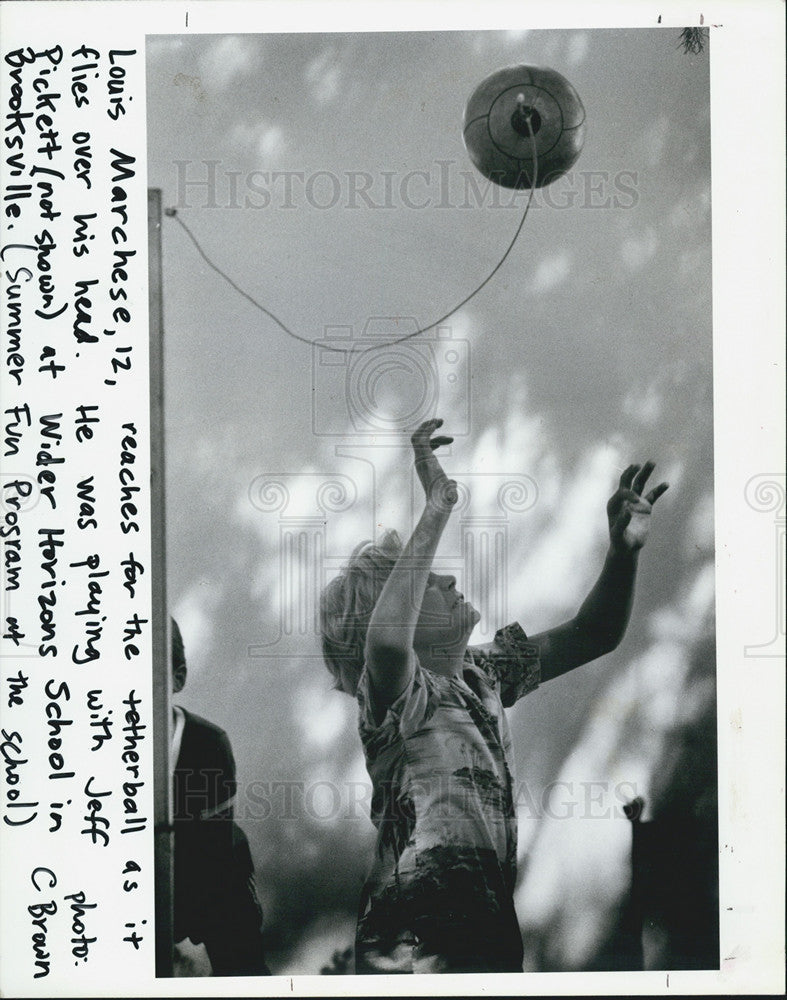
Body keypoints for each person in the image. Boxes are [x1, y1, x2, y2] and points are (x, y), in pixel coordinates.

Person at [319, 418, 668, 974]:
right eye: (427, 579)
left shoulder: (484, 672)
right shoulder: (398, 696)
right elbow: (386, 641)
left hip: (485, 934)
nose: (449, 581)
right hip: (410, 947)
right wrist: (436, 506)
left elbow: (593, 632)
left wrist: (621, 555)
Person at [170, 619, 271, 976]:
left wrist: (182, 932)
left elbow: (209, 851)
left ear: (176, 678)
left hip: (210, 874)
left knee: (236, 944)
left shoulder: (205, 744)